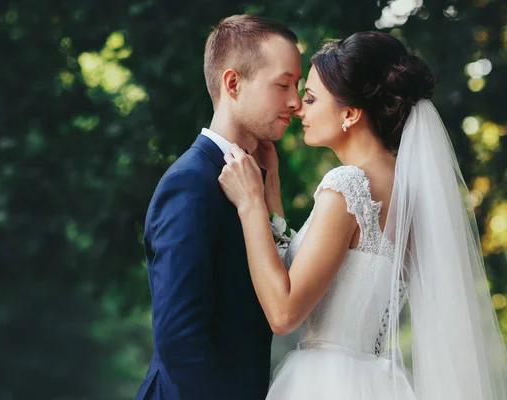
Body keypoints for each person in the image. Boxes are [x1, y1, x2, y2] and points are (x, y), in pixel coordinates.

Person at [218, 31, 507, 399]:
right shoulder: (408, 187)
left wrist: (250, 205)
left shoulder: (348, 186)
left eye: (309, 98)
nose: (298, 108)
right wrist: (271, 189)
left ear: (350, 114)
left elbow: (284, 313)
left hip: (324, 384)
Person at [135, 14, 302, 400]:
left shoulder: (252, 180)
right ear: (233, 83)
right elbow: (180, 343)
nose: (295, 102)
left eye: (297, 86)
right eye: (283, 85)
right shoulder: (190, 183)